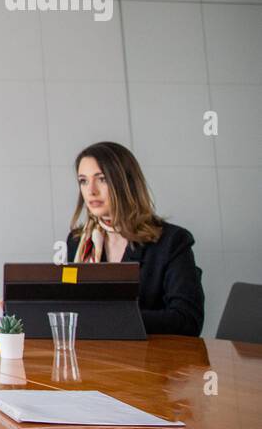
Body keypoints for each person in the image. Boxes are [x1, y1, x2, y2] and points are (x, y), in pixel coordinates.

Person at [65, 141, 204, 336]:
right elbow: (69, 303)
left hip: (154, 361)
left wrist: (110, 318)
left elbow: (187, 321)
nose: (91, 190)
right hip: (94, 357)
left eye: (102, 179)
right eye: (83, 181)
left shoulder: (172, 241)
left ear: (125, 182)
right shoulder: (77, 241)